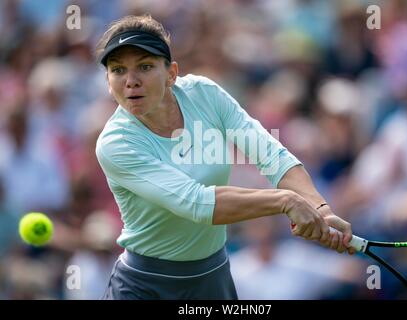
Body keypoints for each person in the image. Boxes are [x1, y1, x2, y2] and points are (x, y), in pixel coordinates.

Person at [94, 14, 354, 300]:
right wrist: (286, 201)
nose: (131, 81)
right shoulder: (115, 143)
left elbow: (269, 153)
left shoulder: (204, 93)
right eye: (118, 70)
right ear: (108, 81)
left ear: (171, 73)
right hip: (145, 286)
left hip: (212, 277)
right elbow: (197, 203)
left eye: (145, 66)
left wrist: (320, 207)